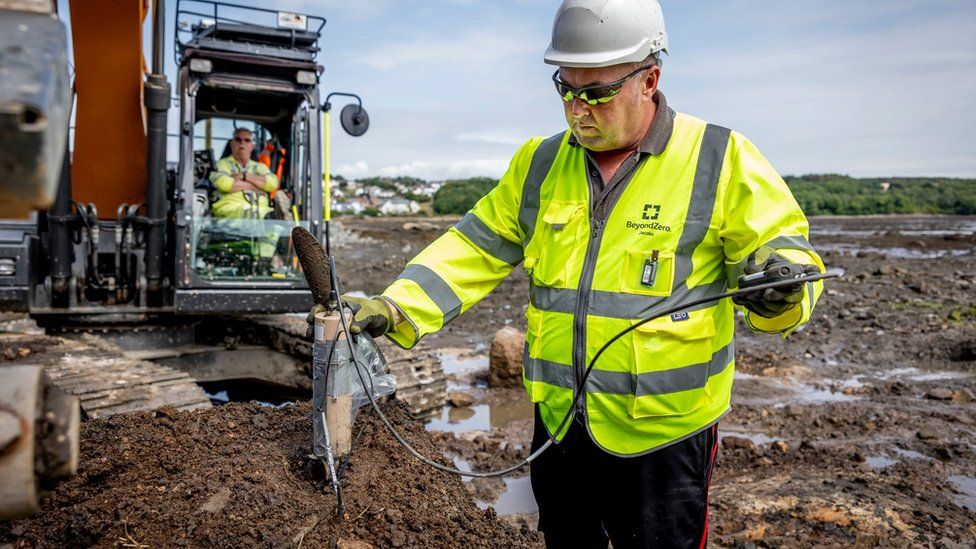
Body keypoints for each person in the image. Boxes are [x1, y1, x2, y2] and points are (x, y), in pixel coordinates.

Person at [310, 1, 825, 547]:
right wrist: (396, 306)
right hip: (560, 428)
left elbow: (783, 249)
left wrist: (781, 288)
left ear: (649, 79)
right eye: (566, 88)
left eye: (597, 92)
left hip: (665, 438)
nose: (577, 109)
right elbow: (472, 247)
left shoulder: (719, 158)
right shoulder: (540, 163)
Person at [208, 127, 279, 219]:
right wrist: (259, 187)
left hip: (263, 216)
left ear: (252, 146)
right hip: (229, 217)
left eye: (247, 140)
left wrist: (243, 176)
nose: (242, 143)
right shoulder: (221, 164)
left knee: (276, 224)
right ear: (231, 143)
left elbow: (273, 184)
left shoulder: (260, 167)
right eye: (238, 139)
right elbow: (224, 184)